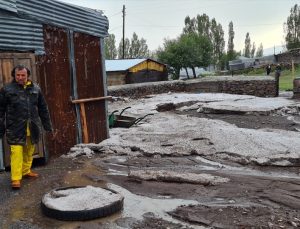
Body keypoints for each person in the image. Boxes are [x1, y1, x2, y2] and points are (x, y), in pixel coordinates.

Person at [0, 65, 52, 189]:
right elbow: (0, 110)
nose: (20, 77)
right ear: (14, 75)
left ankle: (26, 171)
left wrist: (47, 125)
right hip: (15, 127)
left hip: (32, 125)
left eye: (23, 75)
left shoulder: (35, 89)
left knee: (29, 150)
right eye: (18, 75)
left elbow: (43, 108)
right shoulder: (7, 90)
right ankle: (16, 178)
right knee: (16, 152)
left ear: (27, 75)